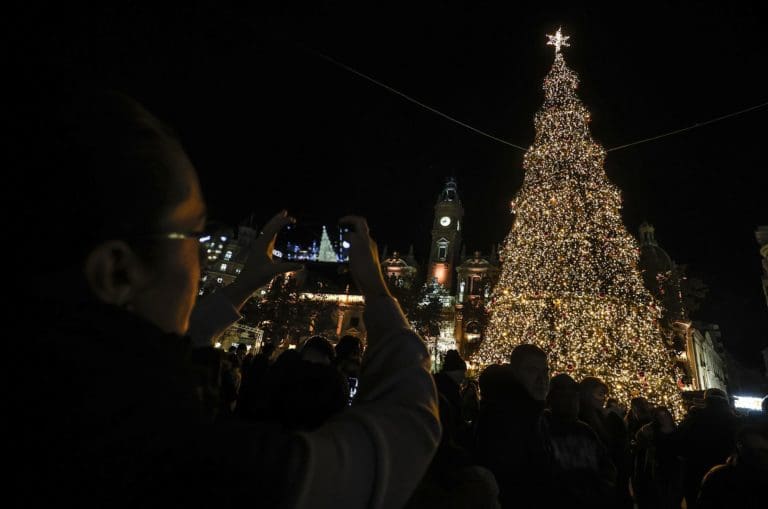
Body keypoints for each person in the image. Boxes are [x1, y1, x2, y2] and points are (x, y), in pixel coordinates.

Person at [12, 91, 440, 507]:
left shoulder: (56, 398)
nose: (201, 254)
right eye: (192, 233)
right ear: (117, 271)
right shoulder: (189, 460)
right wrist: (376, 289)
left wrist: (245, 283)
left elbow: (177, 345)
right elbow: (406, 436)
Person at [474, 344, 551, 507]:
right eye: (532, 371)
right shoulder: (503, 418)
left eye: (545, 371)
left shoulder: (536, 414)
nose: (542, 379)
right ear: (514, 373)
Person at [541, 374, 616, 508]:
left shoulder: (585, 430)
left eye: (573, 396)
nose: (570, 402)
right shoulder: (543, 427)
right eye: (564, 397)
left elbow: (605, 464)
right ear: (552, 399)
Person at [675, 387, 739, 509]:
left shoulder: (693, 418)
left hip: (696, 473)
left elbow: (679, 444)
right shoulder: (734, 420)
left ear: (706, 400)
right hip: (726, 472)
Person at [696, 417, 768, 508]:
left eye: (762, 451)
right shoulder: (719, 476)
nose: (756, 455)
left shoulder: (718, 475)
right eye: (750, 450)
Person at [632, 406, 684, 509]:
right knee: (663, 495)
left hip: (676, 466)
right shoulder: (652, 430)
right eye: (659, 415)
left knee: (675, 495)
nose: (663, 417)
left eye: (664, 414)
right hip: (659, 467)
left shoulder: (676, 429)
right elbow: (639, 438)